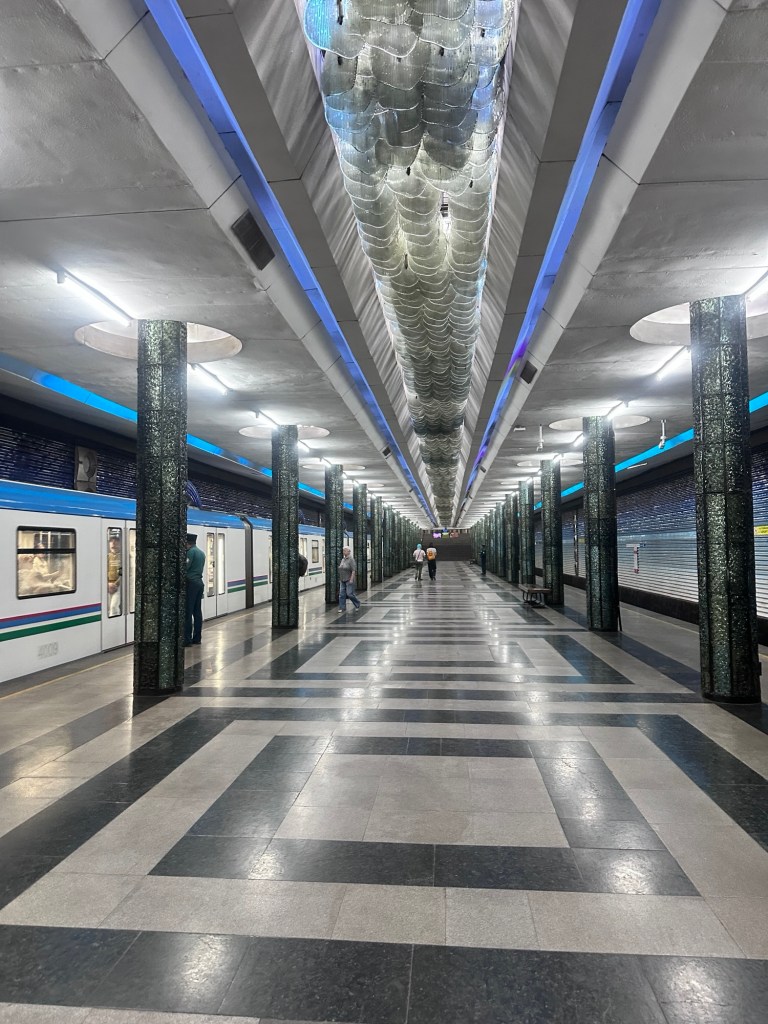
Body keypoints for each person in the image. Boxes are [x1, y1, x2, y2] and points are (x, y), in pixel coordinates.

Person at [185, 533, 205, 646]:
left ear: (187, 542)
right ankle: (197, 638)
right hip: (199, 583)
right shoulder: (201, 553)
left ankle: (187, 639)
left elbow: (185, 567)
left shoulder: (190, 552)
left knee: (188, 611)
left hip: (191, 583)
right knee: (197, 612)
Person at [338, 546, 361, 612]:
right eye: (343, 550)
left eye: (345, 550)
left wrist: (351, 579)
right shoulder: (343, 559)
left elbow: (353, 570)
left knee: (349, 594)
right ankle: (342, 607)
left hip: (349, 579)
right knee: (341, 594)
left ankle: (357, 604)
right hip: (342, 579)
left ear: (349, 552)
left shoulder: (351, 560)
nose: (344, 552)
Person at [107, 535, 122, 616]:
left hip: (119, 586)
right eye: (111, 542)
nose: (113, 544)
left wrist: (115, 584)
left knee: (113, 607)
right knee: (107, 608)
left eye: (116, 542)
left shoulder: (123, 557)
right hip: (108, 585)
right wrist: (108, 584)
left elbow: (123, 573)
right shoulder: (106, 557)